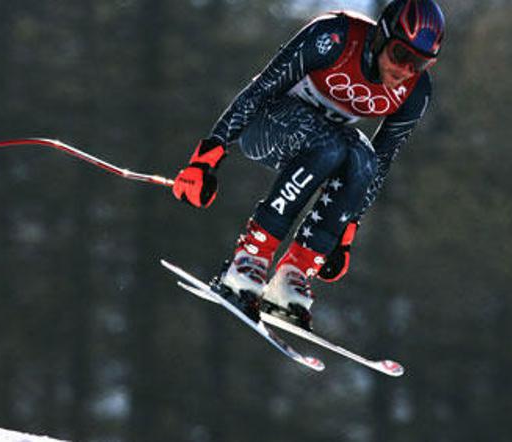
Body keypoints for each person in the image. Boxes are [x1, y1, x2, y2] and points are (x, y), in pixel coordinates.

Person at [171, 0, 445, 331]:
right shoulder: (334, 38)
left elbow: (382, 162)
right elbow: (260, 90)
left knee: (364, 159)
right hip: (267, 126)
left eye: (420, 63)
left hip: (318, 147)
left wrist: (344, 234)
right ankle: (250, 259)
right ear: (381, 36)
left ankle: (294, 274)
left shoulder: (414, 91)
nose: (405, 70)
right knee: (329, 146)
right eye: (401, 55)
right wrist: (205, 159)